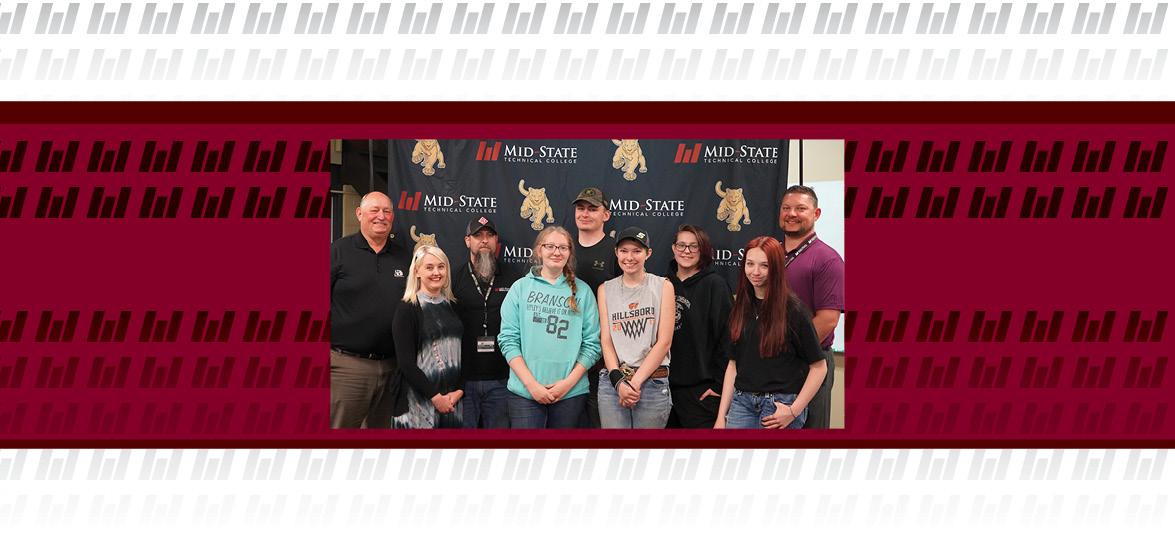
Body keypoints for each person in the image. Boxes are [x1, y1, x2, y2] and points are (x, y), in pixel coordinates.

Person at [714, 236, 827, 429]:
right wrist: (721, 417)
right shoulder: (740, 308)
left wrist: (794, 410)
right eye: (750, 264)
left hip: (779, 406)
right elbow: (733, 365)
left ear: (776, 268)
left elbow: (819, 367)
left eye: (764, 266)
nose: (755, 272)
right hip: (741, 404)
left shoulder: (795, 310)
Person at [497, 226, 602, 429]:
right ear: (539, 250)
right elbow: (508, 340)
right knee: (526, 460)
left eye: (563, 247)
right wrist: (531, 386)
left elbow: (592, 345)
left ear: (570, 253)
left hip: (570, 394)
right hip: (525, 394)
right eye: (550, 246)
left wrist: (567, 385)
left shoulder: (583, 292)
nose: (556, 252)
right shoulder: (520, 288)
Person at [329, 191, 411, 429]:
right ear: (359, 214)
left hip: (392, 367)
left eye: (386, 211)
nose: (381, 216)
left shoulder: (405, 256)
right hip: (347, 367)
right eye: (374, 210)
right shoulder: (338, 251)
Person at [779, 185, 845, 429]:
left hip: (809, 363)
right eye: (786, 208)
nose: (792, 213)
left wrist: (788, 353)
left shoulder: (827, 259)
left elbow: (828, 320)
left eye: (801, 208)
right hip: (771, 364)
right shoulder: (770, 254)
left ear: (816, 214)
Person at [596, 227, 675, 428]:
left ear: (648, 253)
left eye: (636, 251)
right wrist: (618, 382)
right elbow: (606, 340)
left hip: (652, 383)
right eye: (624, 251)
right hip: (613, 383)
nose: (629, 257)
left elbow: (664, 341)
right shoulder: (605, 289)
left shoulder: (663, 286)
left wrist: (634, 383)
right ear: (616, 253)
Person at [451, 216, 519, 428]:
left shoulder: (514, 278)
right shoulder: (452, 278)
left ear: (496, 240)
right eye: (478, 235)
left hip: (502, 378)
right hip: (463, 380)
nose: (484, 240)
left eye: (489, 235)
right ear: (467, 241)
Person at [665, 224, 732, 428]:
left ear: (703, 250)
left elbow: (728, 339)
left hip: (701, 393)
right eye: (682, 245)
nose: (686, 251)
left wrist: (720, 385)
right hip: (662, 390)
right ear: (673, 248)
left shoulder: (715, 285)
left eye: (693, 246)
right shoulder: (662, 284)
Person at [391, 245, 464, 429]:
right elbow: (406, 363)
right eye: (429, 267)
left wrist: (459, 391)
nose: (436, 273)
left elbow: (464, 352)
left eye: (441, 267)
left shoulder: (453, 306)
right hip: (418, 403)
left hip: (452, 402)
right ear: (417, 272)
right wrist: (435, 397)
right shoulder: (407, 308)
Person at [570, 186, 619, 428]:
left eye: (593, 208)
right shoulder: (562, 249)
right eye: (581, 208)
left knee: (599, 424)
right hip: (565, 350)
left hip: (603, 355)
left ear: (606, 215)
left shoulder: (617, 252)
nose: (585, 213)